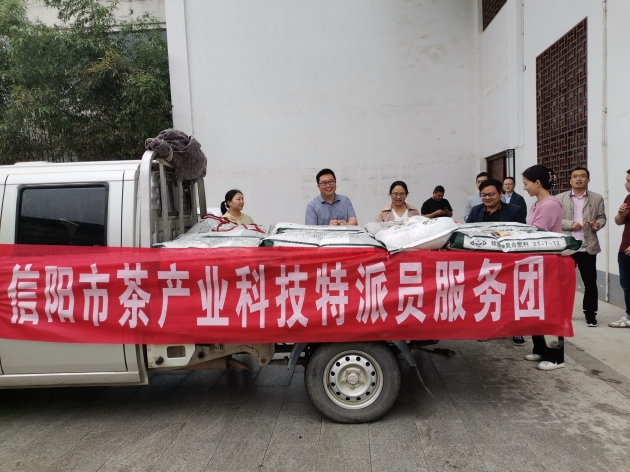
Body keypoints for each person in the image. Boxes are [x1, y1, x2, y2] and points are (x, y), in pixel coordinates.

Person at [467, 178, 526, 346]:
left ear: (500, 194)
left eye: (491, 194)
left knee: (511, 295)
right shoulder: (476, 210)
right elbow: (469, 232)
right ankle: (488, 329)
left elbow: (520, 234)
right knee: (487, 295)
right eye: (483, 195)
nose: (487, 198)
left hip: (507, 260)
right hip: (484, 261)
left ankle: (516, 330)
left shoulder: (515, 210)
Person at [521, 164, 564, 371]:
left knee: (550, 309)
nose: (524, 188)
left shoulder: (549, 205)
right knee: (535, 307)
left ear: (537, 183)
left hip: (548, 263)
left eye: (526, 183)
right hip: (537, 262)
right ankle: (540, 348)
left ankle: (557, 357)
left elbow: (536, 235)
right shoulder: (537, 204)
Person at [556, 167, 606, 327]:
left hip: (587, 246)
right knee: (563, 282)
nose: (579, 179)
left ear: (588, 180)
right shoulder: (559, 198)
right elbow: (555, 220)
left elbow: (602, 217)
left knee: (590, 283)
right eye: (575, 176)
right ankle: (562, 312)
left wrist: (597, 224)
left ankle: (590, 314)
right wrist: (570, 224)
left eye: (583, 176)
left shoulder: (597, 198)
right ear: (570, 180)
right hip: (567, 247)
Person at [609, 170, 630, 328]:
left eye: (628, 181)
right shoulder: (628, 198)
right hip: (624, 250)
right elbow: (618, 221)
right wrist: (621, 214)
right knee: (626, 285)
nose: (625, 184)